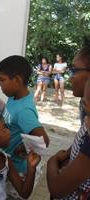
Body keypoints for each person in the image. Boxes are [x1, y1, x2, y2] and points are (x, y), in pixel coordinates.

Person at [47, 39, 90, 199]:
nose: (70, 77)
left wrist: (52, 161)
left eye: (74, 70)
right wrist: (69, 154)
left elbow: (57, 189)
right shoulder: (84, 105)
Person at [0, 55, 49, 174]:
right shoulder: (14, 97)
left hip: (17, 169)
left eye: (2, 79)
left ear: (17, 80)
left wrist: (22, 148)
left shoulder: (24, 111)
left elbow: (44, 140)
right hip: (7, 162)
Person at [0, 110, 41, 200]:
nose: (9, 131)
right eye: (4, 128)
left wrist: (31, 169)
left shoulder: (5, 161)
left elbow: (24, 193)